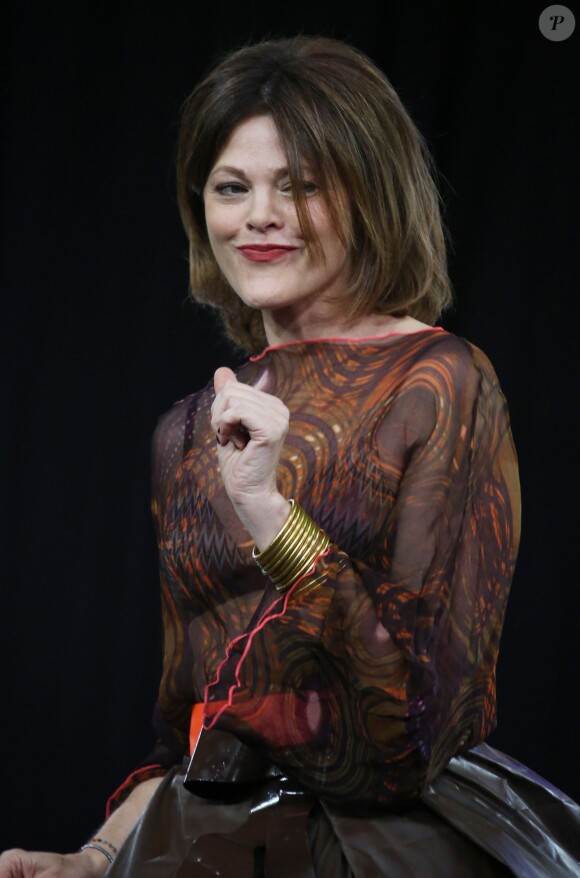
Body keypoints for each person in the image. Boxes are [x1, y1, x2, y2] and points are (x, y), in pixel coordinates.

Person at [2, 35, 579, 878]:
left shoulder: (440, 382)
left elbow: (408, 724)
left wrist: (272, 513)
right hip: (203, 847)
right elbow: (193, 724)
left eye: (301, 186)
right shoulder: (186, 431)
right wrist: (94, 858)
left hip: (382, 846)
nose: (261, 215)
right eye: (232, 188)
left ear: (370, 195)